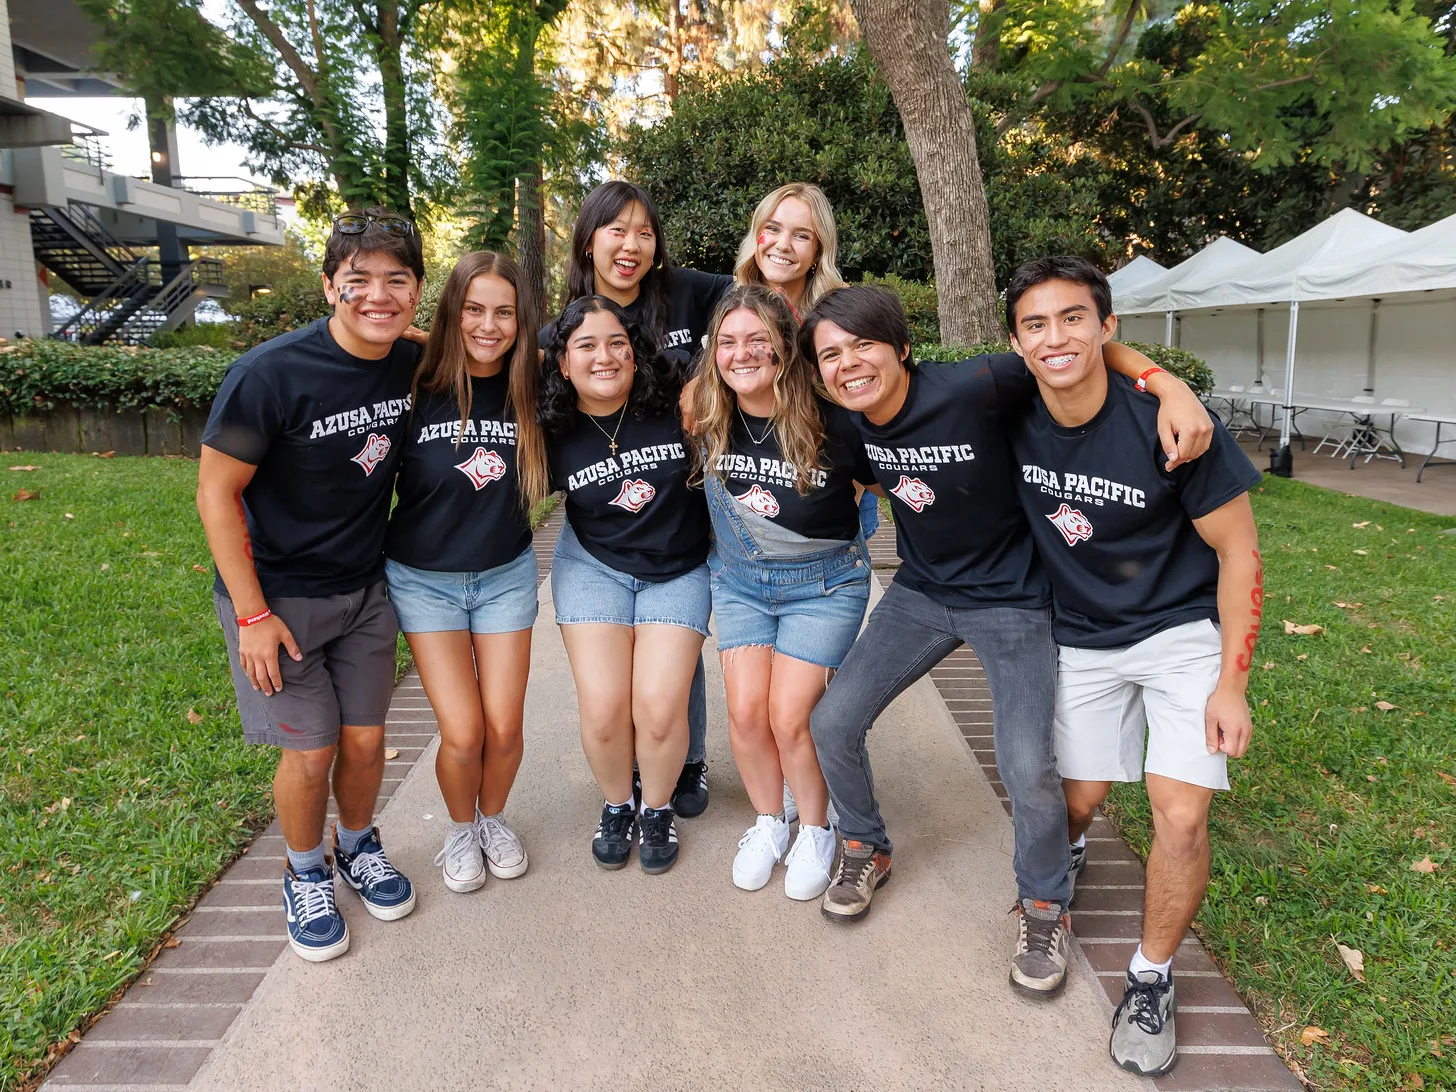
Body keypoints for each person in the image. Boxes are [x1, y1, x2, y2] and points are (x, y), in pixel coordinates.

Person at [798, 285, 1214, 999]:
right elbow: (868, 480)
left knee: (1026, 766)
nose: (848, 363)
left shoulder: (978, 384)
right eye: (830, 354)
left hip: (1016, 601)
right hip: (921, 595)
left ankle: (1045, 904)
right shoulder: (845, 424)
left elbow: (1076, 352)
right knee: (832, 720)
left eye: (863, 344)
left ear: (902, 348)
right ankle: (864, 845)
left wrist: (1165, 383)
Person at [1003, 257, 1262, 1076]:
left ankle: (1150, 978)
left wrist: (1231, 683)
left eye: (1074, 318)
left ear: (1107, 327)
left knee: (1179, 815)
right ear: (1015, 343)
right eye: (1036, 325)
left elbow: (1242, 553)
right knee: (1074, 802)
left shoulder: (1170, 422)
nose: (1056, 338)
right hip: (1080, 636)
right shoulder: (1008, 411)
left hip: (1181, 631)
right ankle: (1069, 856)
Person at [196, 209, 423, 962]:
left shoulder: (408, 359)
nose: (378, 296)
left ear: (417, 291)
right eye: (358, 280)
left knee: (365, 741)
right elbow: (215, 494)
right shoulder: (269, 374)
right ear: (329, 286)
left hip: (363, 589)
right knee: (311, 751)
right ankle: (303, 873)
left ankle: (357, 847)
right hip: (279, 599)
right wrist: (253, 614)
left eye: (398, 280)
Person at [692, 284, 875, 899]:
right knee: (745, 712)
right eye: (727, 341)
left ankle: (818, 829)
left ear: (785, 349)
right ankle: (772, 820)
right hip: (741, 584)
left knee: (789, 715)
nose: (741, 354)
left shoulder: (835, 417)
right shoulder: (708, 413)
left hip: (824, 585)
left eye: (757, 341)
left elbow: (890, 481)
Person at [557, 179, 733, 818]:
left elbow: (761, 307)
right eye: (615, 230)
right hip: (604, 519)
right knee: (616, 679)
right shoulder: (567, 327)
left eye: (645, 232)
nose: (631, 246)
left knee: (672, 662)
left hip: (685, 505)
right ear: (588, 241)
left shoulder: (688, 292)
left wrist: (708, 375)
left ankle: (686, 762)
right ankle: (629, 776)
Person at [384, 251, 549, 893]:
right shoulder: (413, 381)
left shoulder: (531, 384)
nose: (488, 324)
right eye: (473, 309)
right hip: (424, 580)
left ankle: (493, 819)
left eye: (504, 312)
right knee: (462, 730)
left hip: (505, 574)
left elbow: (595, 351)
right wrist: (429, 334)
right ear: (452, 311)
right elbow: (376, 327)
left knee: (505, 728)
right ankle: (460, 828)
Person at [533, 295, 711, 874]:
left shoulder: (677, 400)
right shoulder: (549, 422)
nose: (604, 357)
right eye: (585, 346)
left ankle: (655, 809)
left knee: (659, 708)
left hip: (677, 569)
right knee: (606, 709)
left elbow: (753, 356)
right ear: (562, 362)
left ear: (635, 352)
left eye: (617, 343)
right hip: (595, 566)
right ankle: (618, 804)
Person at [732, 182, 846, 318]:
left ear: (818, 253)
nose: (783, 245)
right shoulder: (721, 295)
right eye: (773, 229)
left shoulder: (843, 310)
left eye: (801, 236)